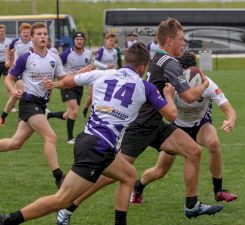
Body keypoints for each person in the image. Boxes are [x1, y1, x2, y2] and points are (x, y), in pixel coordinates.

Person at [55, 18, 223, 225]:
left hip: (155, 124)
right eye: (180, 39)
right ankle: (69, 208)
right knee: (109, 175)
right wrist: (204, 83)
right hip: (140, 126)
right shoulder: (170, 63)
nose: (183, 44)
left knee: (194, 151)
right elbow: (188, 96)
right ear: (169, 41)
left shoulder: (157, 57)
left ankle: (191, 205)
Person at [0, 42, 176, 225]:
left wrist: (64, 80)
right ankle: (8, 220)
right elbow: (171, 115)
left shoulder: (102, 74)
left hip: (90, 140)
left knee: (129, 174)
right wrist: (169, 95)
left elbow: (67, 82)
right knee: (62, 199)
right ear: (142, 67)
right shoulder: (146, 87)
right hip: (98, 147)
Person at [130, 51, 238, 206]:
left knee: (213, 143)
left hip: (201, 126)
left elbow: (230, 110)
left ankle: (219, 191)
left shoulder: (207, 83)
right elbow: (168, 114)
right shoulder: (172, 87)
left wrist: (230, 120)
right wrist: (169, 96)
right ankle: (139, 185)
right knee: (160, 171)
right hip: (177, 129)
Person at [0, 22, 65, 189]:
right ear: (32, 38)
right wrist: (13, 90)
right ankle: (58, 176)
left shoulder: (54, 58)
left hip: (41, 104)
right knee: (51, 137)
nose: (43, 36)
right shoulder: (25, 57)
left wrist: (80, 74)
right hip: (28, 102)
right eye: (39, 34)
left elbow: (63, 80)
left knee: (15, 143)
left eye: (45, 34)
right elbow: (9, 78)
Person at [47, 32, 93, 144]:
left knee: (68, 114)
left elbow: (90, 67)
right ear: (73, 41)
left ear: (84, 41)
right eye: (77, 39)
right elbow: (57, 69)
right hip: (67, 85)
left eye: (81, 39)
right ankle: (70, 138)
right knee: (75, 111)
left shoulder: (88, 54)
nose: (79, 41)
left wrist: (90, 83)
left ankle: (49, 115)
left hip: (79, 86)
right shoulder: (66, 54)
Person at [0, 23, 32, 125]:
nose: (26, 34)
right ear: (20, 33)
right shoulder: (16, 42)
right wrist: (7, 60)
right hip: (19, 70)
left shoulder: (33, 42)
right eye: (24, 32)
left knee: (15, 96)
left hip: (31, 71)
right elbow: (7, 49)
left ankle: (3, 115)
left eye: (27, 32)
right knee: (19, 91)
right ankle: (22, 116)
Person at [82, 33, 118, 118]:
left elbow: (115, 63)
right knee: (92, 95)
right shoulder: (102, 50)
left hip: (109, 76)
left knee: (107, 95)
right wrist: (106, 66)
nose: (112, 43)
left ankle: (102, 112)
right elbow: (95, 62)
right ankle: (85, 109)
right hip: (98, 76)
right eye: (110, 41)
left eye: (114, 41)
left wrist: (115, 72)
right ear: (106, 41)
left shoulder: (115, 51)